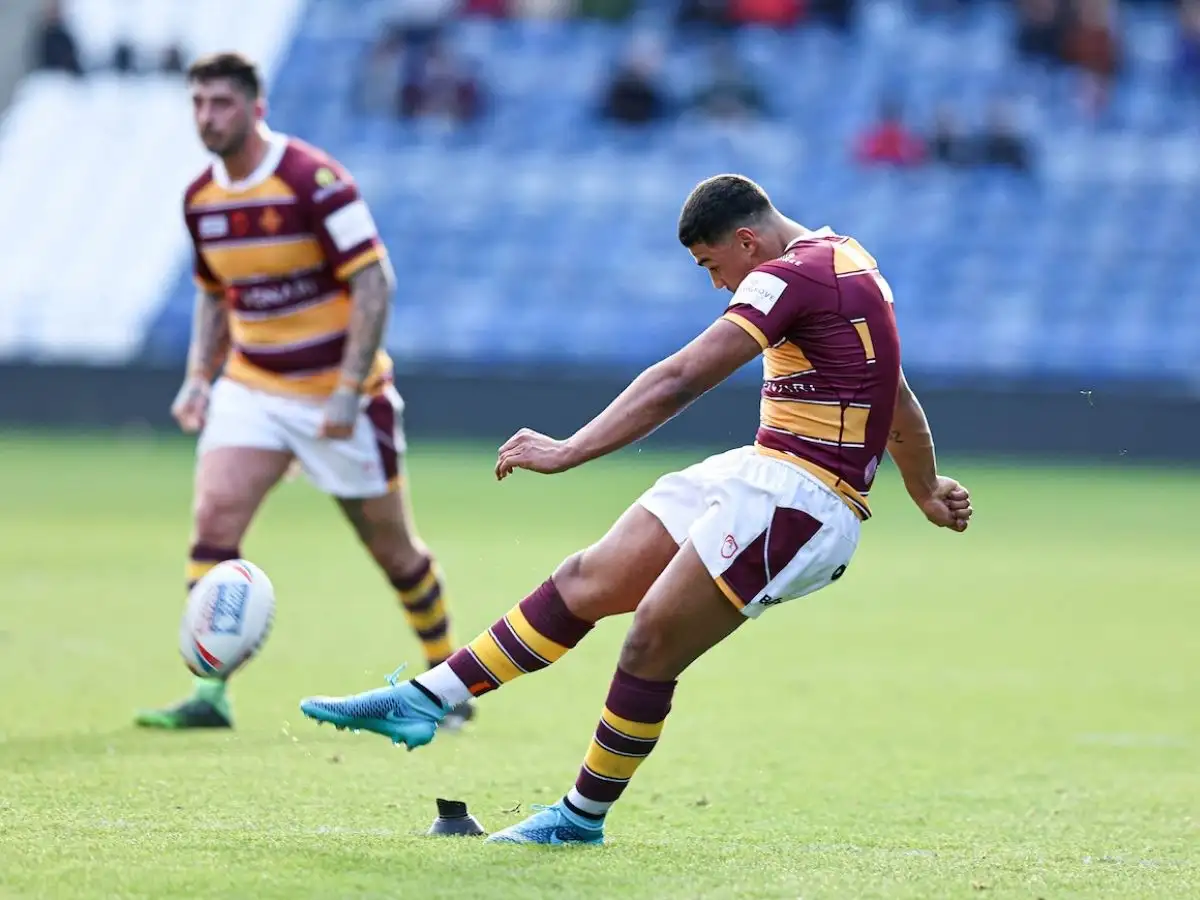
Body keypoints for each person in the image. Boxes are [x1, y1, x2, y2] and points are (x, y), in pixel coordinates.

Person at [299, 175, 973, 844]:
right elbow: (897, 394)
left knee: (650, 642)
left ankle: (579, 819)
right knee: (586, 580)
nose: (717, 285)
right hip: (760, 470)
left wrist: (570, 450)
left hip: (804, 503)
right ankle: (425, 700)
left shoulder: (790, 277)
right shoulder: (845, 261)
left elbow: (680, 378)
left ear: (746, 239)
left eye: (713, 266)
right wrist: (923, 484)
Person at [135, 52, 473, 731]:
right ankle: (210, 695)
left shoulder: (313, 180)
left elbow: (374, 282)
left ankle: (448, 678)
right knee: (214, 526)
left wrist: (349, 388)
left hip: (337, 397)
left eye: (221, 103)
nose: (207, 117)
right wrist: (199, 378)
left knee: (395, 553)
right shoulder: (200, 199)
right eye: (198, 103)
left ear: (257, 108)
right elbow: (214, 296)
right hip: (253, 386)